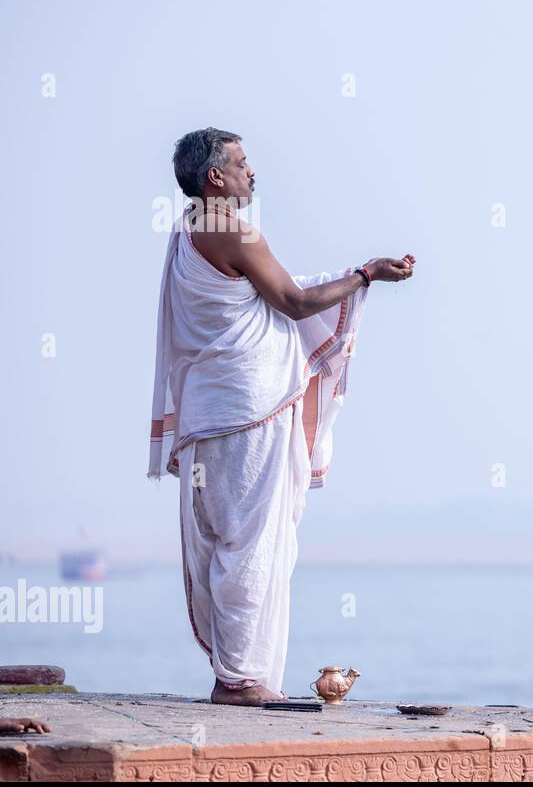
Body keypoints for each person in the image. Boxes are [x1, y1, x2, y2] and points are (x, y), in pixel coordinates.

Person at [148, 128, 415, 706]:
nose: (253, 173)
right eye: (242, 164)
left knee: (227, 538)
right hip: (248, 408)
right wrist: (365, 276)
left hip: (209, 412)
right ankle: (240, 682)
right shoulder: (231, 229)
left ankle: (241, 676)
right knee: (253, 541)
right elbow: (293, 302)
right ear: (214, 177)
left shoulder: (186, 231)